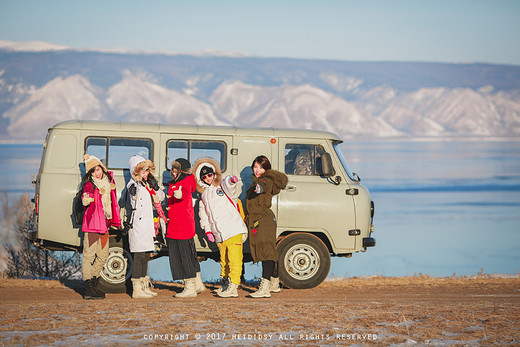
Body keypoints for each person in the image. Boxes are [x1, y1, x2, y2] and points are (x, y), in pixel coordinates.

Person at [193, 158, 248, 298]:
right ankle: (225, 283)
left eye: (210, 175)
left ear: (214, 174)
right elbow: (203, 215)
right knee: (224, 260)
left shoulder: (221, 187)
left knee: (235, 259)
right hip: (220, 234)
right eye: (204, 177)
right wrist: (208, 230)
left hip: (233, 229)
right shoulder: (203, 195)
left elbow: (229, 185)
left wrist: (232, 180)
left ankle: (234, 286)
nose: (207, 178)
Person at [246, 155, 288, 298]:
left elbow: (262, 187)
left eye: (261, 167)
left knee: (265, 252)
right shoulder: (260, 180)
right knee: (269, 250)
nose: (257, 170)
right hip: (262, 219)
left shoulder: (266, 181)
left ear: (266, 169)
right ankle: (274, 282)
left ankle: (264, 287)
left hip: (263, 219)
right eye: (256, 166)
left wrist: (258, 187)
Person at [80, 154, 121, 300]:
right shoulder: (90, 185)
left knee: (103, 257)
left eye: (99, 169)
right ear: (90, 174)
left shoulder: (107, 183)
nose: (97, 173)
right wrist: (88, 198)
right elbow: (85, 198)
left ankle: (94, 283)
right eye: (94, 171)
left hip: (104, 226)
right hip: (92, 225)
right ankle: (89, 288)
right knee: (89, 256)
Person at [166, 158, 205, 298]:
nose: (173, 171)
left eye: (176, 169)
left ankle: (189, 287)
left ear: (182, 171)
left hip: (181, 226)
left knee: (184, 256)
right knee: (190, 254)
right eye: (173, 168)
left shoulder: (186, 181)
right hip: (178, 225)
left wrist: (181, 195)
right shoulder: (174, 183)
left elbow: (187, 191)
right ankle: (198, 283)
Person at [127, 155, 165, 299]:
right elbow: (133, 197)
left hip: (147, 226)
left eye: (147, 171)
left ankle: (143, 284)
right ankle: (136, 289)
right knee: (138, 256)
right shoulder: (133, 185)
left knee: (145, 256)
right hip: (138, 225)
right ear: (136, 172)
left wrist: (155, 186)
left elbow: (161, 197)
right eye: (143, 171)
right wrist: (134, 190)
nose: (146, 174)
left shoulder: (146, 184)